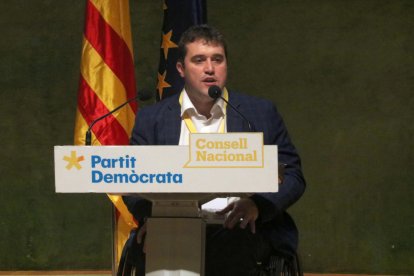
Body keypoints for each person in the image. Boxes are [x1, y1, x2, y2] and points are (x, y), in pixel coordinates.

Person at [118, 24, 306, 276]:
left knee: (228, 245)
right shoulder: (152, 118)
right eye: (199, 60)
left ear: (226, 65)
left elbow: (293, 176)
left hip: (239, 228)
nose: (209, 68)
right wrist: (156, 219)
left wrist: (257, 205)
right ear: (181, 69)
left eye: (217, 59)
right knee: (163, 247)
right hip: (172, 225)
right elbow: (131, 182)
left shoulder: (259, 113)